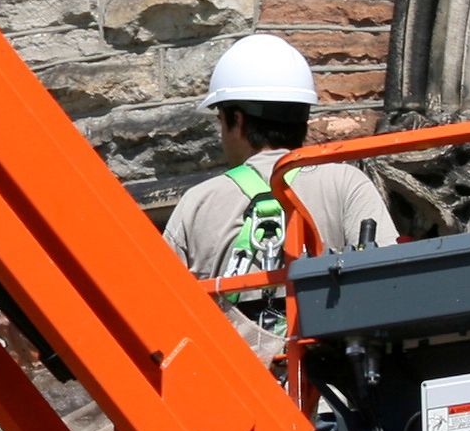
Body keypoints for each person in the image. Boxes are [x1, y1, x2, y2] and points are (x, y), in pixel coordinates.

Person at [161, 34, 393, 293]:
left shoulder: (198, 203)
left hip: (231, 334)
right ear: (303, 116)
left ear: (236, 119)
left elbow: (163, 300)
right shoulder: (346, 184)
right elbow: (389, 283)